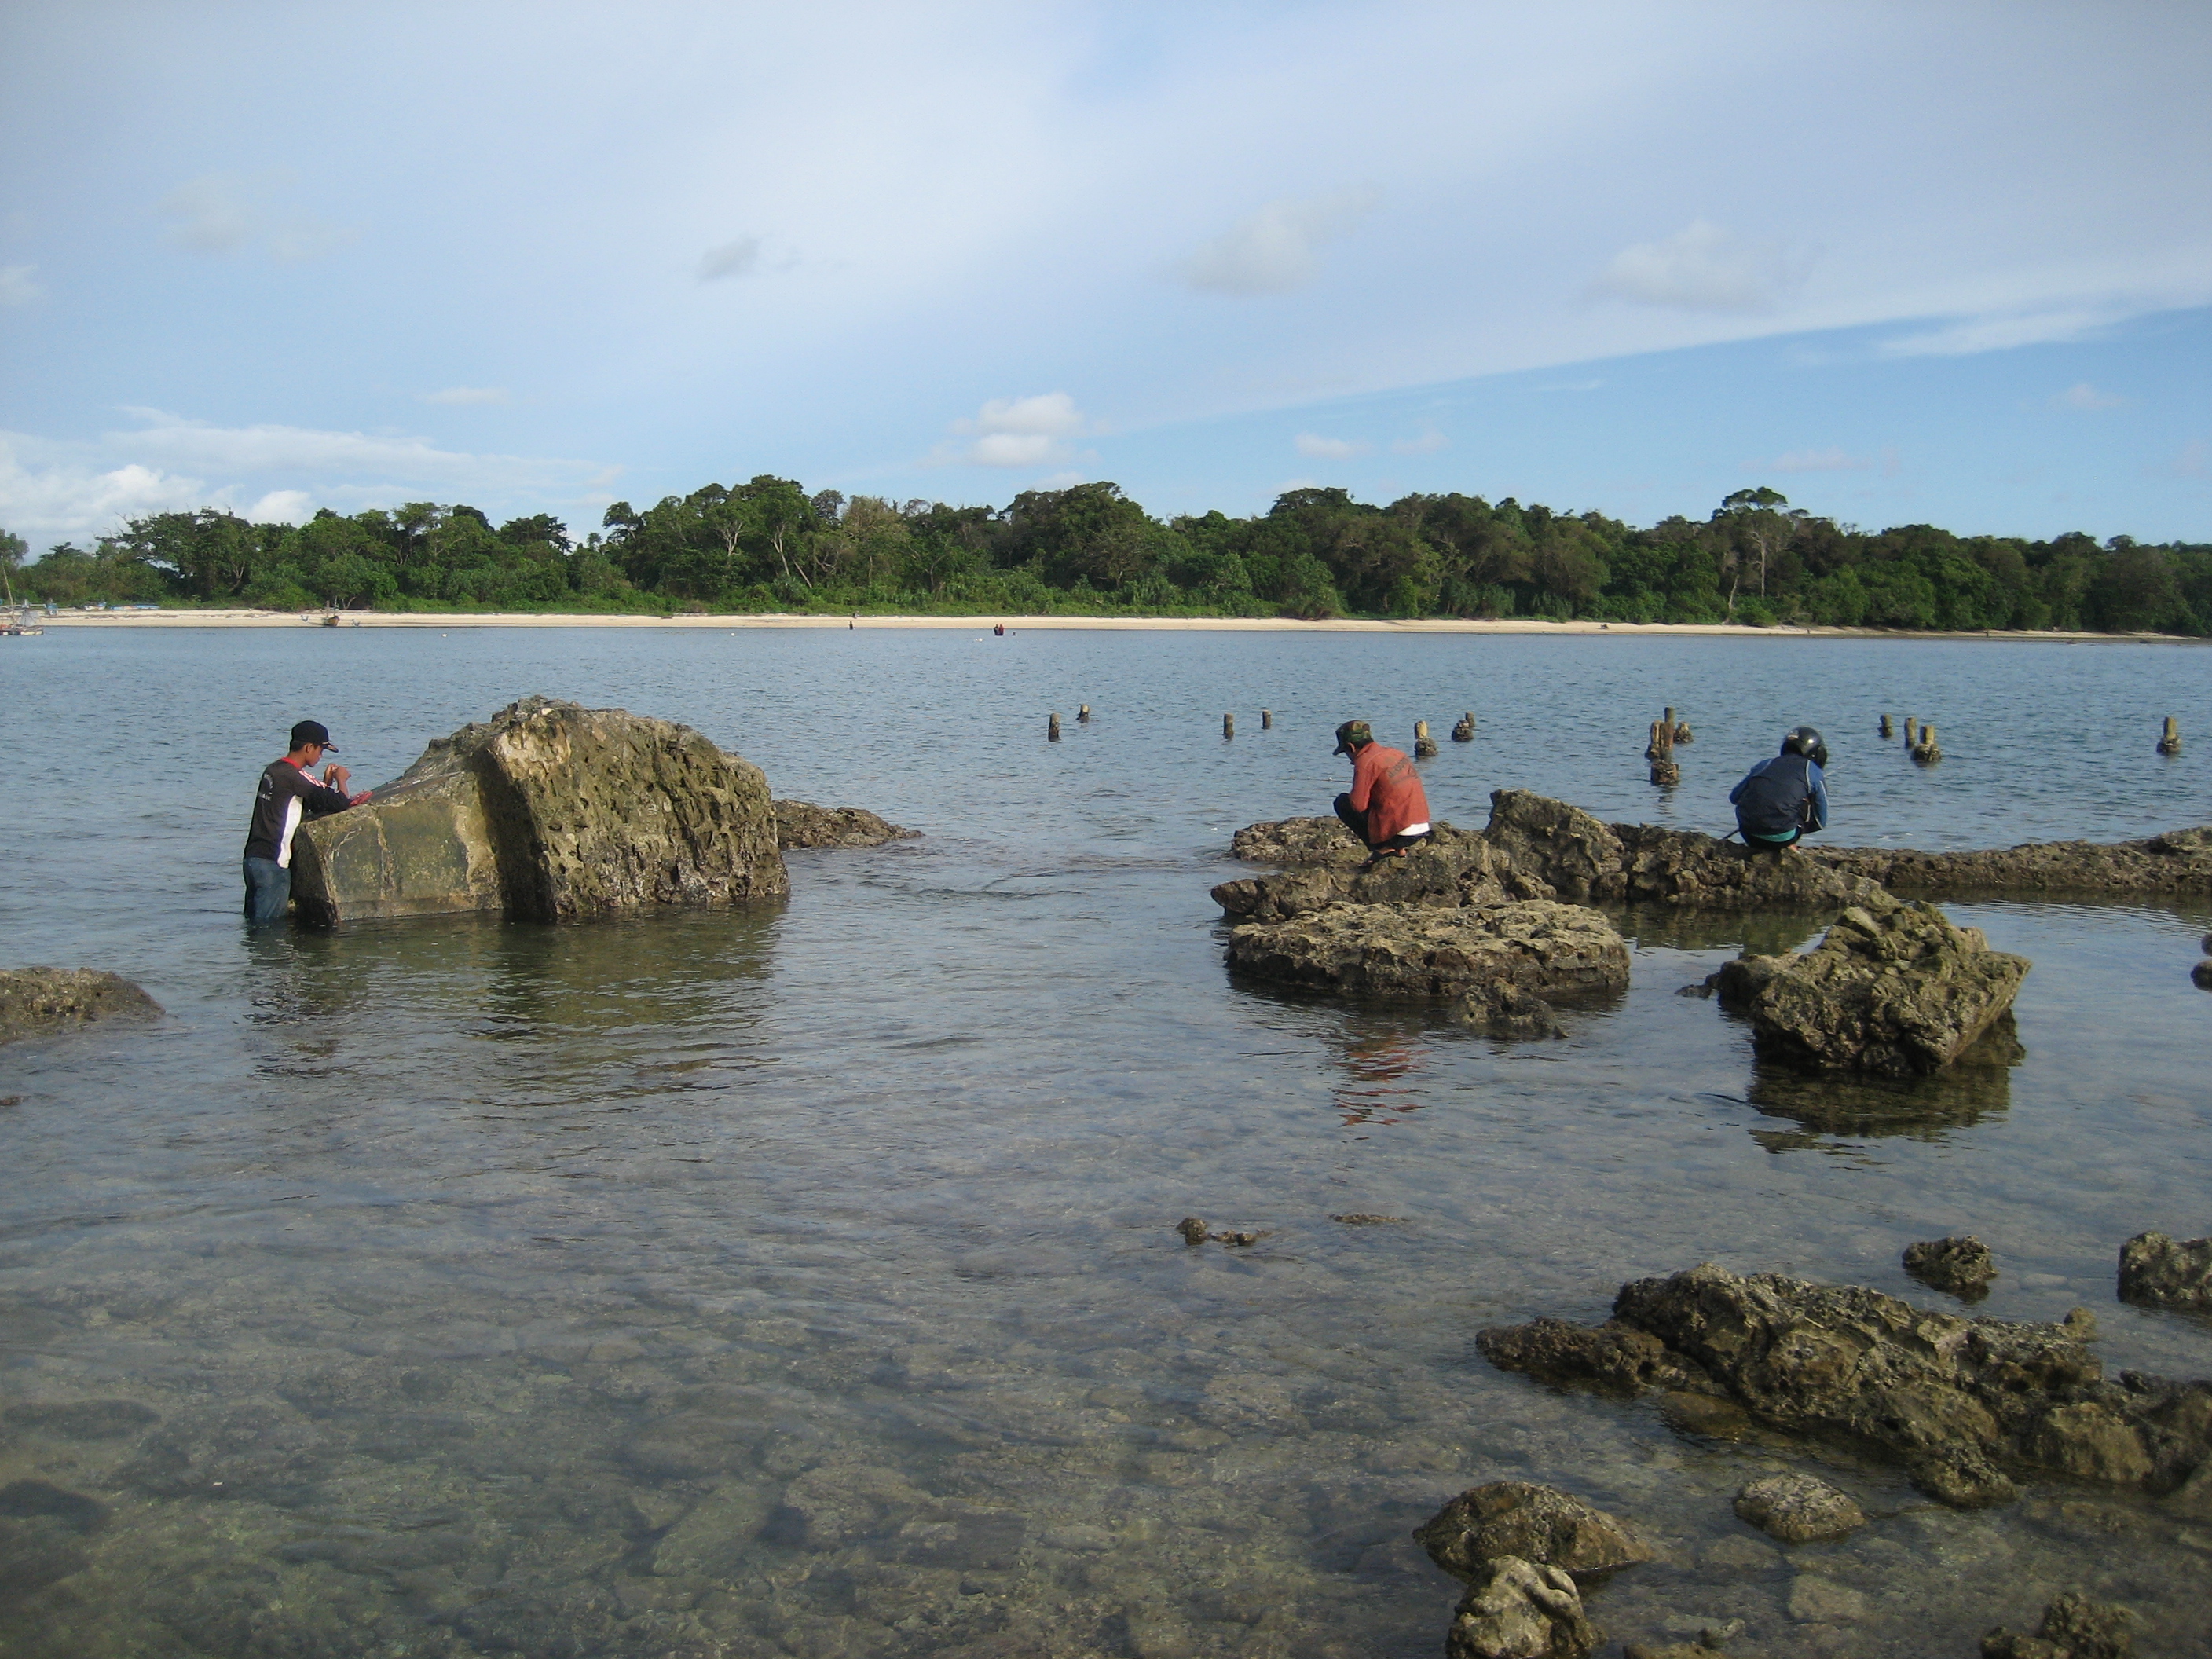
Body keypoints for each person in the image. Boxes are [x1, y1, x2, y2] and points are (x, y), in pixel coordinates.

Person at [242, 720, 371, 923]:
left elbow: (307, 803)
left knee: (253, 924)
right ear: (309, 748)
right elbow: (340, 803)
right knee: (268, 934)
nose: (321, 756)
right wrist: (341, 780)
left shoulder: (273, 770)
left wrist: (326, 782)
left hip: (253, 860)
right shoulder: (294, 776)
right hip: (273, 865)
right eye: (321, 750)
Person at [1331, 720, 1433, 865]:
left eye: (1346, 753)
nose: (1350, 760)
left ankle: (1383, 848)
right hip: (1422, 825)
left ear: (1351, 747)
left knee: (1342, 802)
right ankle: (1399, 849)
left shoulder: (1365, 762)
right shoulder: (1396, 753)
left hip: (1401, 832)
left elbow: (1357, 805)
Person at [1730, 727, 1829, 853]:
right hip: (1784, 838)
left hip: (1748, 834)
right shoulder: (1813, 770)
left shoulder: (1765, 764)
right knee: (1801, 802)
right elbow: (1821, 821)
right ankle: (1789, 844)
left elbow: (1734, 798)